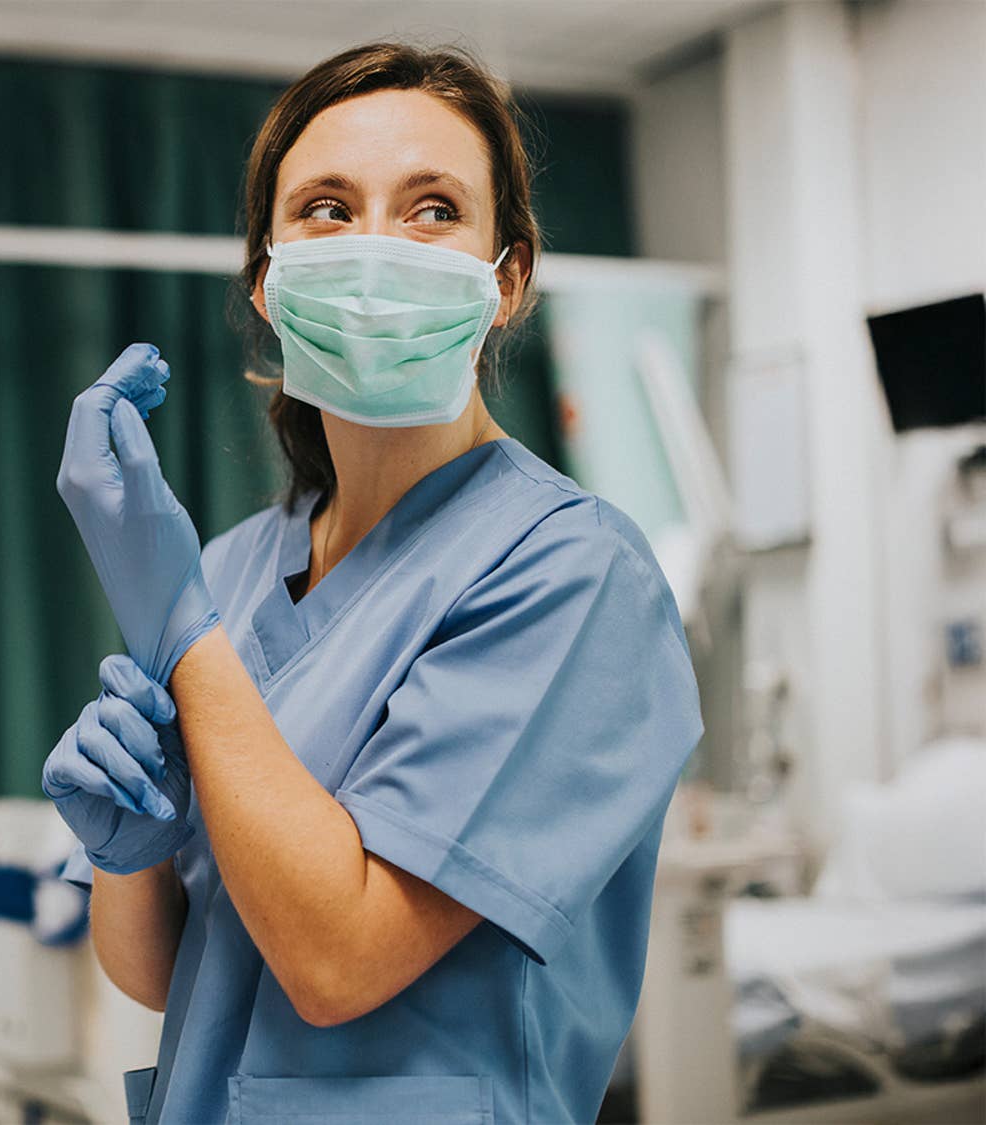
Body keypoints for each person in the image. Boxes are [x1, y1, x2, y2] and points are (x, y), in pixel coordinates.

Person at [39, 41, 702, 1125]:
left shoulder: (574, 575)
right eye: (328, 209)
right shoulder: (232, 571)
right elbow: (177, 978)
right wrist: (128, 855)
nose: (379, 249)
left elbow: (337, 961)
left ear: (509, 279)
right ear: (268, 280)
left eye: (435, 208)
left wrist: (182, 634)